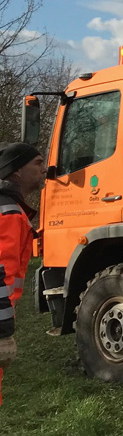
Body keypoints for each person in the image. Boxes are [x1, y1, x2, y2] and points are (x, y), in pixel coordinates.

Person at [0, 142, 47, 406]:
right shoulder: (9, 213)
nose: (44, 169)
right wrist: (3, 329)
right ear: (16, 172)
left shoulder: (11, 209)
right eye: (38, 163)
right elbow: (2, 274)